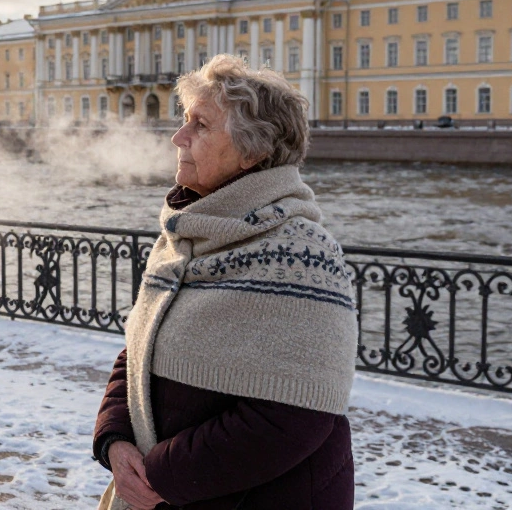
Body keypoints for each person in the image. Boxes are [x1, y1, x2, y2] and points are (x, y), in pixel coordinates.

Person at [92, 55, 357, 510]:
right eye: (184, 120)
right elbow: (139, 349)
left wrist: (158, 477)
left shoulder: (302, 253)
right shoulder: (186, 235)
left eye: (200, 125)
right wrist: (115, 441)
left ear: (253, 151)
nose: (179, 137)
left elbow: (295, 415)